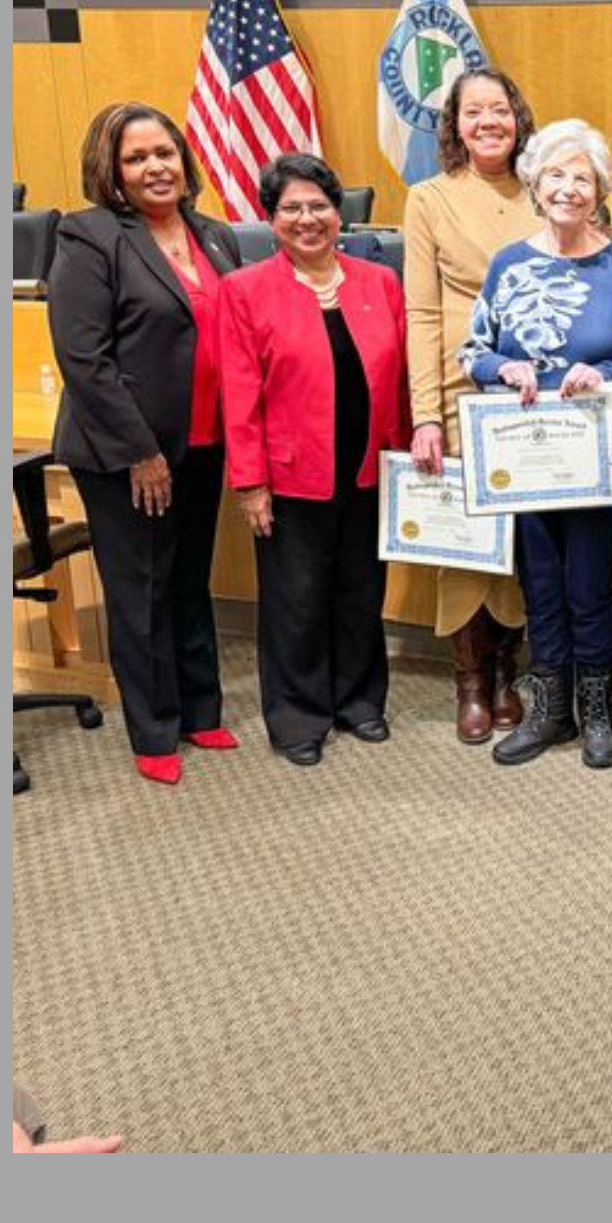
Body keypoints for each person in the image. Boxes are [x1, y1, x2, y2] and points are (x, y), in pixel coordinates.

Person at [47, 102, 242, 786]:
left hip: (203, 440)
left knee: (189, 578)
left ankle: (197, 707)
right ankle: (154, 728)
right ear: (113, 172)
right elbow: (83, 358)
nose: (155, 167)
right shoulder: (91, 236)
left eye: (164, 152)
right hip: (127, 453)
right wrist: (140, 450)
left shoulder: (214, 235)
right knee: (142, 589)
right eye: (137, 158)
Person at [461, 119, 612, 770]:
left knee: (588, 584)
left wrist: (606, 375)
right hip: (524, 450)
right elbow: (472, 351)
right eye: (556, 175)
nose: (569, 188)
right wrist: (503, 370)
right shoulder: (510, 264)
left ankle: (597, 712)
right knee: (540, 583)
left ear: (600, 190)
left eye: (583, 177)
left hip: (593, 453)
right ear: (535, 185)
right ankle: (550, 711)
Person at [219, 154, 410, 767]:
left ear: (340, 213)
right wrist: (250, 483)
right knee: (295, 600)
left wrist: (407, 458)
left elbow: (401, 378)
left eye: (319, 206)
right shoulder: (244, 291)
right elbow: (240, 393)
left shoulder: (379, 281)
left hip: (369, 468)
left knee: (360, 591)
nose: (308, 219)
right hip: (290, 475)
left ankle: (358, 701)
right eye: (291, 209)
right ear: (270, 220)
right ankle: (298, 716)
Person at [404, 67, 538, 743]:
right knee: (462, 544)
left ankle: (510, 672)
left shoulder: (550, 191)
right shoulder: (429, 197)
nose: (488, 122)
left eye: (499, 110)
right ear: (453, 125)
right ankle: (470, 682)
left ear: (518, 117)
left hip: (536, 398)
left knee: (519, 540)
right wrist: (424, 413)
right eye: (472, 112)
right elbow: (421, 312)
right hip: (460, 390)